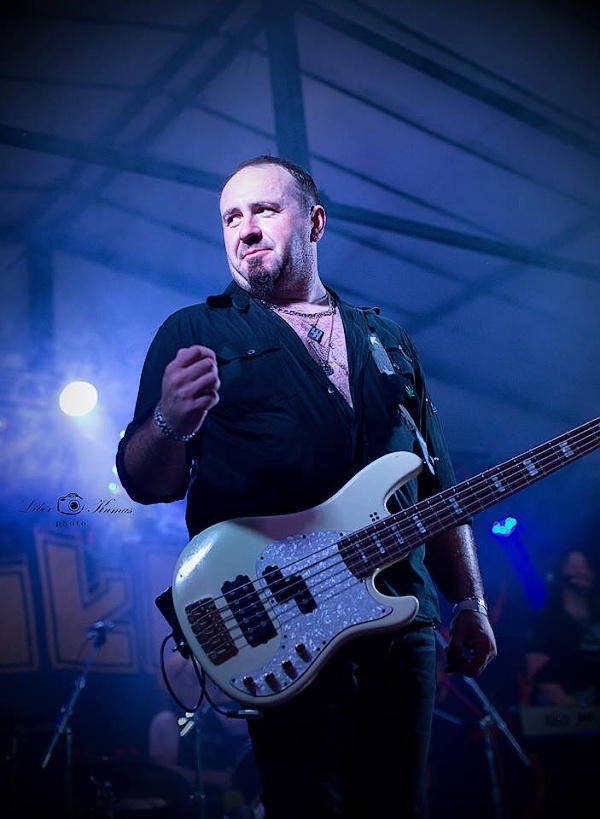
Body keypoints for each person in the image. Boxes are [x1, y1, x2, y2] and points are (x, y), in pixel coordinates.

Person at [116, 155, 497, 818]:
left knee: (399, 806)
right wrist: (170, 422)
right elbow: (144, 482)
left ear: (314, 221)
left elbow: (439, 486)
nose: (245, 228)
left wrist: (472, 602)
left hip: (399, 616)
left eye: (264, 210)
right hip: (279, 615)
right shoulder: (195, 330)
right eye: (230, 217)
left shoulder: (388, 340)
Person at [523, 547, 600, 817]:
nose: (581, 572)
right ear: (561, 575)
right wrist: (580, 714)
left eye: (585, 566)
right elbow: (538, 674)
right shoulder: (548, 620)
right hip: (563, 728)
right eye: (574, 567)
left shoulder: (596, 618)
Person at [148, 648, 262, 818]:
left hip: (223, 804)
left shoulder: (215, 714)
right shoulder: (166, 720)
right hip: (187, 807)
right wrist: (214, 778)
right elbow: (164, 773)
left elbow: (248, 725)